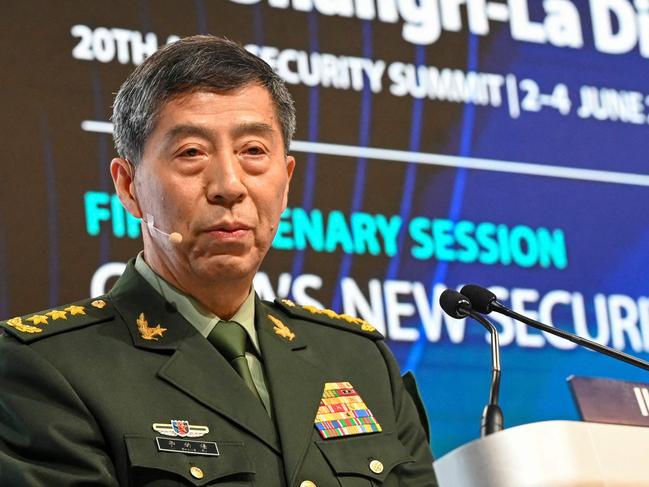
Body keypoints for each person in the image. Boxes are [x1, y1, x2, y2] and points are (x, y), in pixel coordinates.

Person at [0, 35, 436, 486]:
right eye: (192, 153)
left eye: (253, 151)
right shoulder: (49, 367)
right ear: (128, 186)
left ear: (285, 182)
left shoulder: (360, 361)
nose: (229, 184)